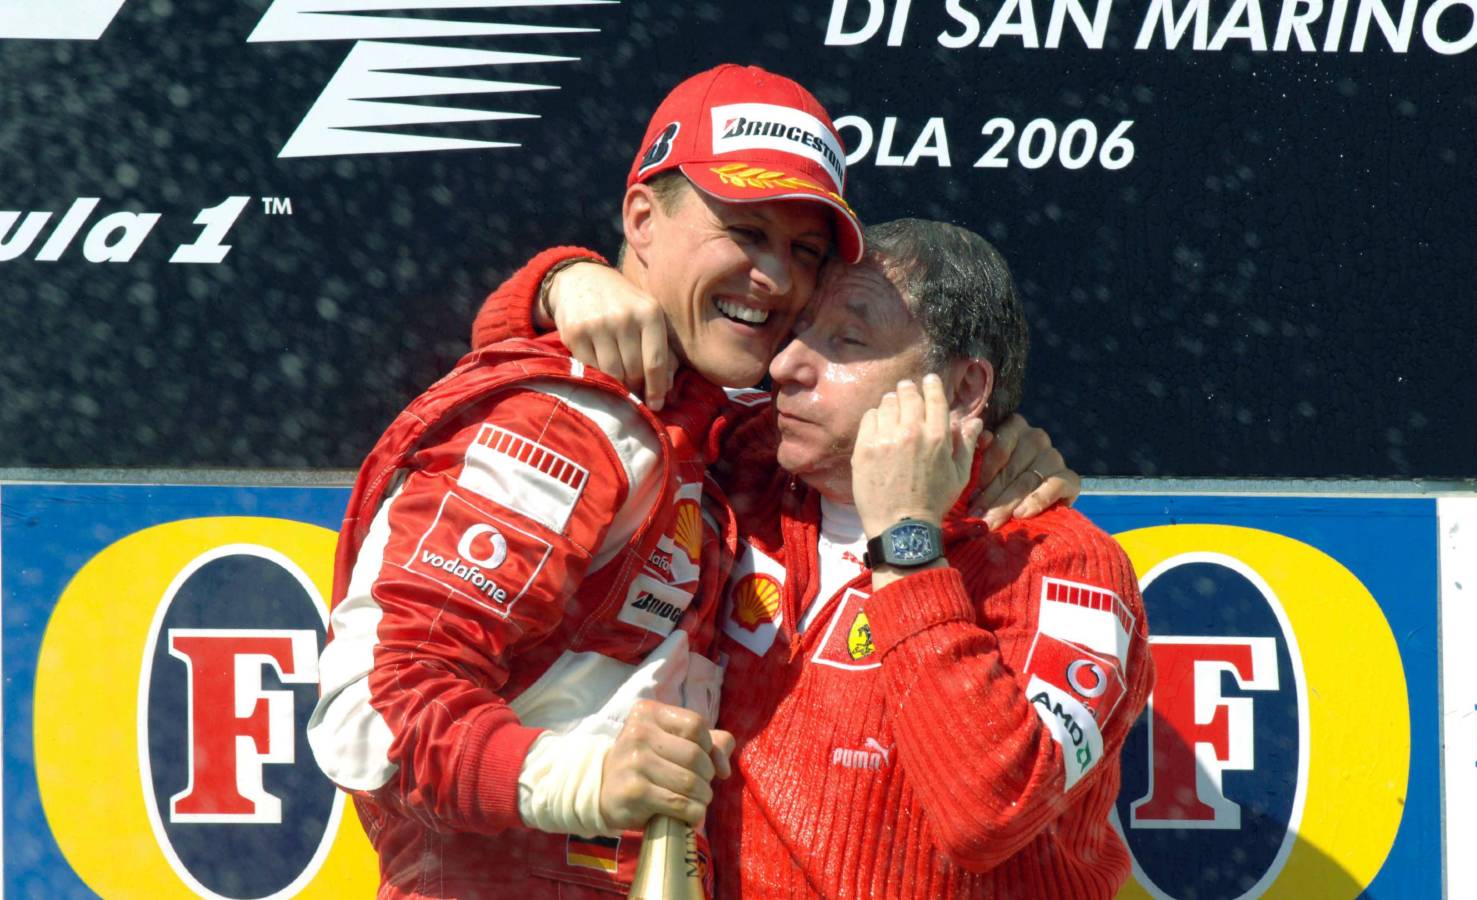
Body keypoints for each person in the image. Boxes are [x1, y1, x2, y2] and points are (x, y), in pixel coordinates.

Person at [309, 64, 1072, 899]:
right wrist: (585, 780)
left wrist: (991, 443)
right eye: (744, 233)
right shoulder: (563, 424)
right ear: (641, 217)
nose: (776, 280)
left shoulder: (713, 437)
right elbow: (370, 712)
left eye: (803, 251)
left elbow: (872, 452)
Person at [511, 219, 1155, 897]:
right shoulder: (743, 473)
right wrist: (559, 280)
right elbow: (515, 386)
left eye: (846, 341)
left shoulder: (1063, 567)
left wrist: (906, 541)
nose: (786, 365)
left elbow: (989, 813)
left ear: (966, 390)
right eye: (797, 329)